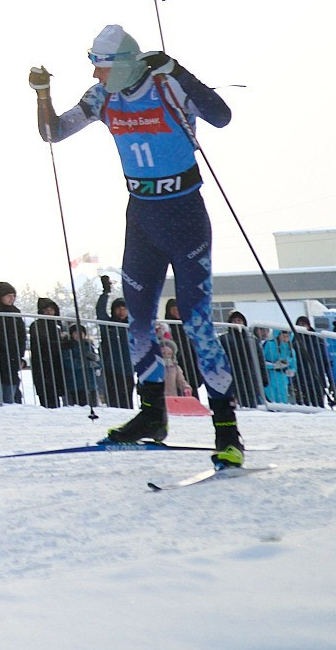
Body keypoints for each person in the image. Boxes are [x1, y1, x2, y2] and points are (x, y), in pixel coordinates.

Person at [33, 25, 245, 467]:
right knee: (138, 318)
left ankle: (227, 428)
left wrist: (182, 73)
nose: (94, 72)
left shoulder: (167, 86)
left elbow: (222, 116)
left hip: (184, 214)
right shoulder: (102, 98)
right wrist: (42, 93)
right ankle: (152, 415)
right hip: (142, 217)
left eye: (101, 64)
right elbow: (54, 132)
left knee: (196, 320)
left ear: (124, 64)